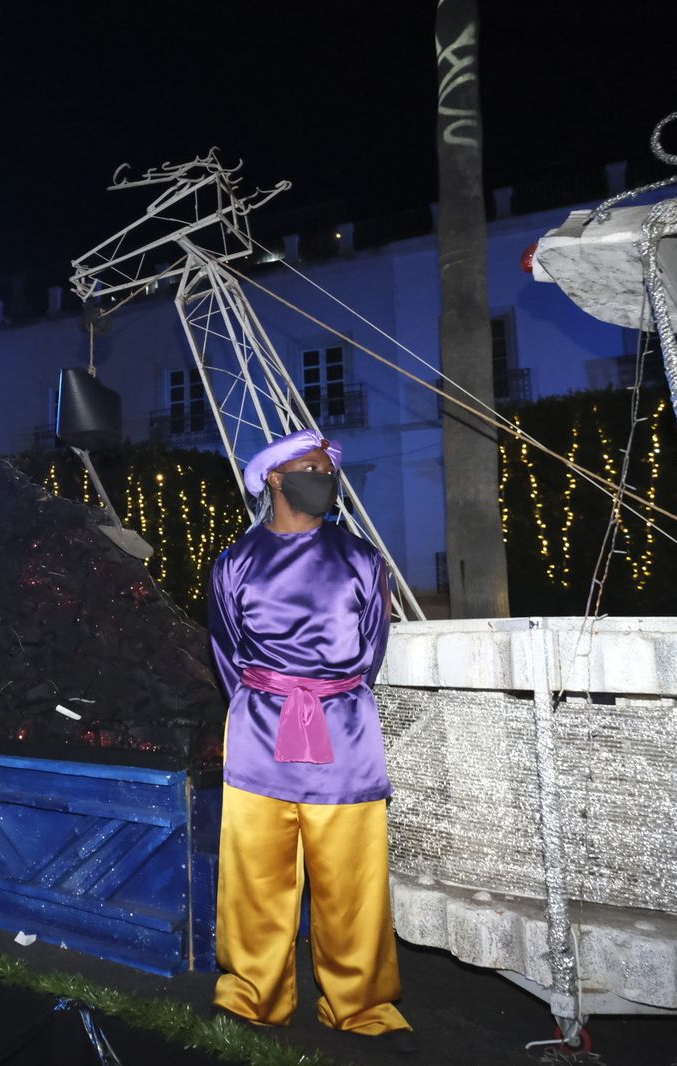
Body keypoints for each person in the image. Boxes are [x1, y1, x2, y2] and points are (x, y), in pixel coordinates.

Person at [208, 427, 416, 1053]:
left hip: (343, 733)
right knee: (253, 877)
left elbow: (370, 651)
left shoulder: (361, 559)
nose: (323, 476)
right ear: (274, 478)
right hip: (257, 736)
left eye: (328, 468)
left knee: (351, 882)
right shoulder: (234, 563)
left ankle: (361, 1007)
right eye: (310, 466)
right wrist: (268, 701)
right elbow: (226, 655)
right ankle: (251, 995)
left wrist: (325, 698)